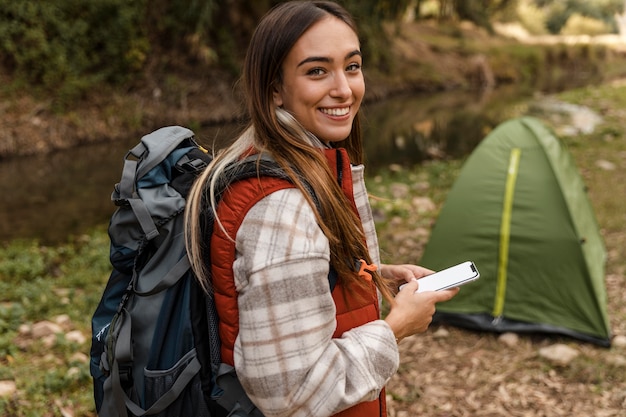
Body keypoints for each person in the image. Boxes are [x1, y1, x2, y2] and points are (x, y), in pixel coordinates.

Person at [184, 1, 459, 416]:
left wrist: (369, 275)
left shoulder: (281, 162)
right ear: (274, 88)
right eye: (317, 71)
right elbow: (292, 394)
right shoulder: (282, 208)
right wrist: (397, 326)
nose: (344, 89)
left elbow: (290, 280)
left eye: (352, 66)